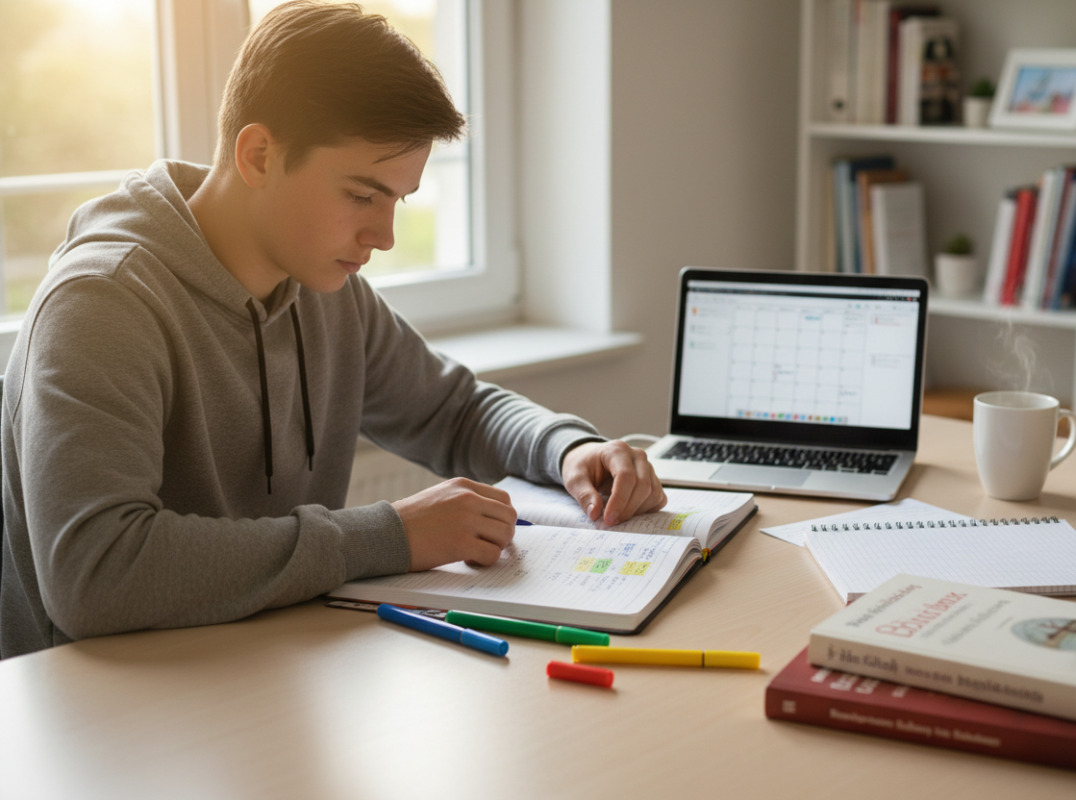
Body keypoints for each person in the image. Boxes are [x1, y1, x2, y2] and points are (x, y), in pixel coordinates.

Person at [0, 1, 665, 659]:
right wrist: (389, 535)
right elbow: (96, 574)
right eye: (362, 195)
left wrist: (567, 449)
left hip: (259, 669)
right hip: (98, 715)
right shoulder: (101, 304)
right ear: (259, 154)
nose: (384, 236)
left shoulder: (326, 292)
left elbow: (454, 411)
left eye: (398, 200)